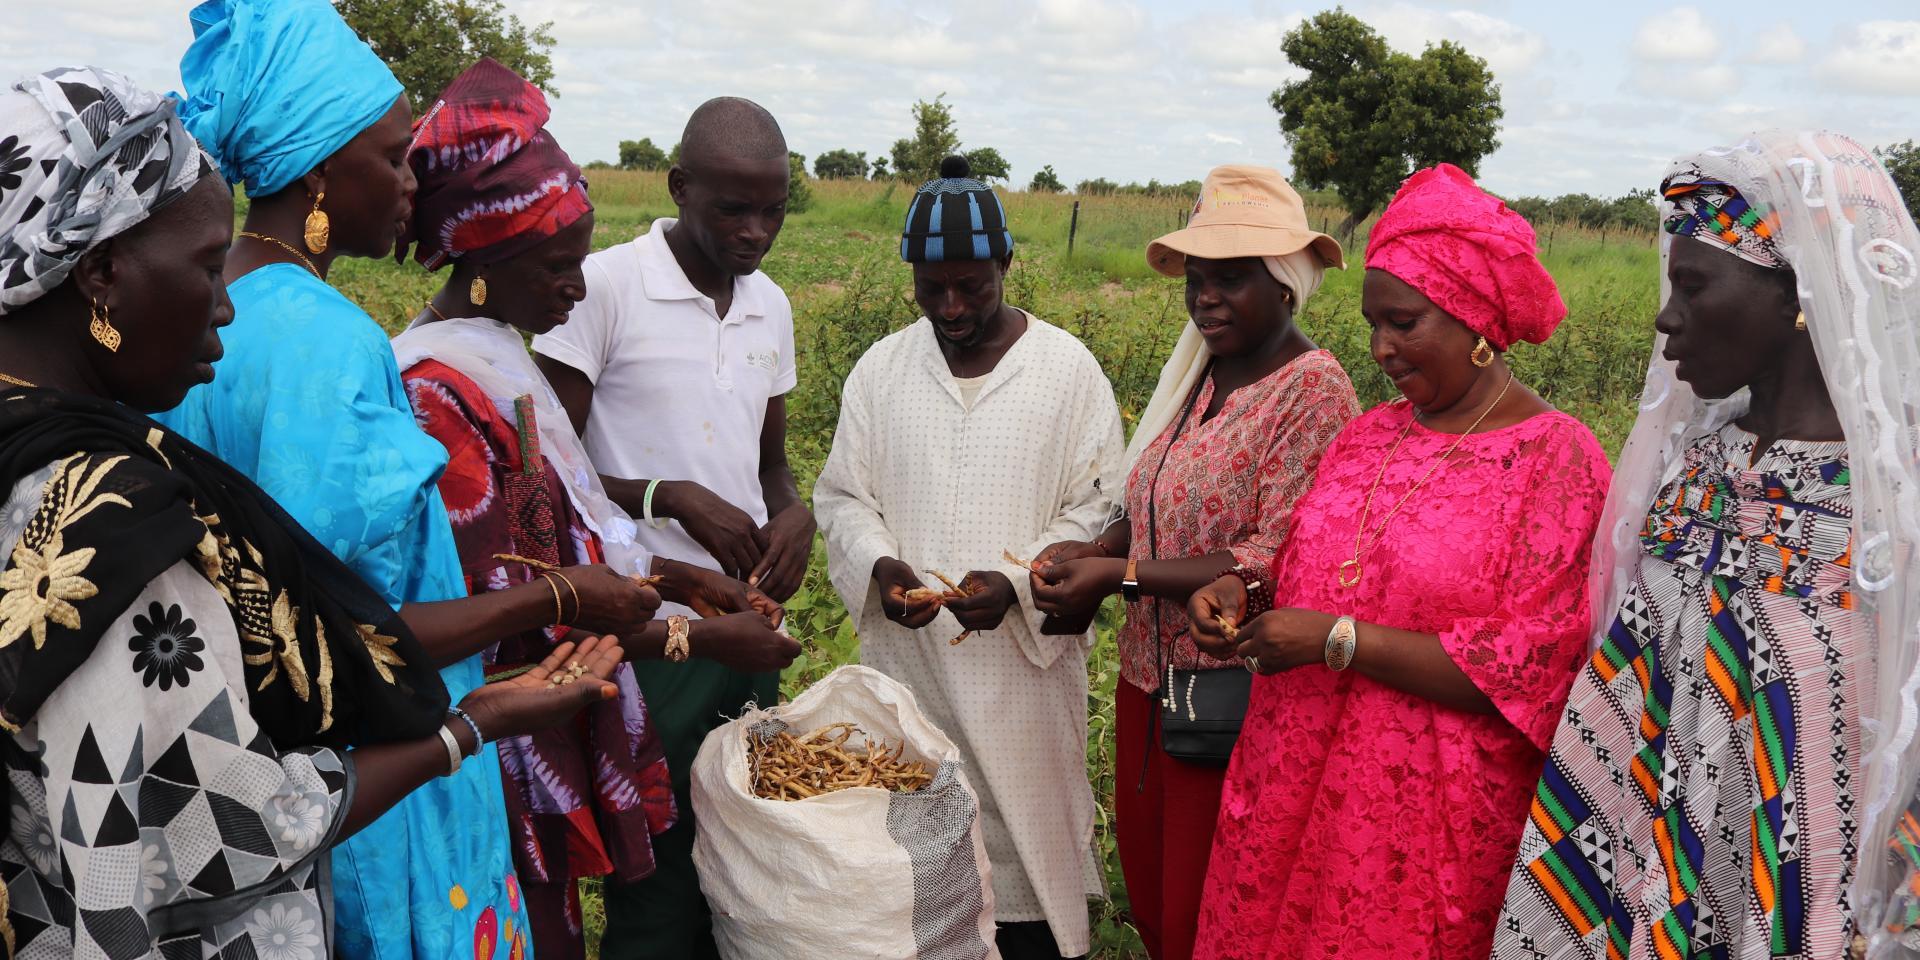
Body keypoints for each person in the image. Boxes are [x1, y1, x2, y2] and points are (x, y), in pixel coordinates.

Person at [0, 65, 627, 960]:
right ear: (99, 270)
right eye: (208, 268)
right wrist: (470, 726)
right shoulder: (109, 523)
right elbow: (222, 835)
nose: (226, 306)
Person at [155, 3, 661, 956]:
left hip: (256, 769)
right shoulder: (332, 342)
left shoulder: (206, 313)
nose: (407, 188)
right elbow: (345, 624)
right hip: (376, 779)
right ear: (315, 175)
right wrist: (555, 598)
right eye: (390, 161)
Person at [388, 59, 800, 959]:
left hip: (523, 733)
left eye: (579, 261)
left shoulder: (498, 368)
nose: (577, 288)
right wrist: (689, 631)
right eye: (559, 267)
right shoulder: (438, 394)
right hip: (481, 749)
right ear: (488, 264)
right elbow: (509, 616)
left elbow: (555, 554)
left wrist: (677, 577)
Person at [1495, 133, 1920, 960]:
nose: (1665, 316)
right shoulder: (1694, 463)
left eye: (1692, 284)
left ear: (1801, 292)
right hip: (1635, 869)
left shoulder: (1890, 497)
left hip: (1808, 896)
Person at [1181, 163, 1613, 959]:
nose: (1380, 348)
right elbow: (1314, 561)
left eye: (1405, 323)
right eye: (1373, 322)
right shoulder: (1369, 434)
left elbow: (1531, 666)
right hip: (1290, 778)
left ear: (1478, 321)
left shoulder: (1557, 461)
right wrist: (1243, 587)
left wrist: (1336, 641)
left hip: (1419, 821)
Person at [1026, 165, 1358, 960]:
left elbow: (1271, 554)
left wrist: (1121, 578)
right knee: (1155, 901)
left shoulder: (1313, 391)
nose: (1205, 298)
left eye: (1231, 279)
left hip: (1231, 702)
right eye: (1198, 280)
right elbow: (1149, 506)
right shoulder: (1198, 376)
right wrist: (1096, 552)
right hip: (1150, 689)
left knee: (1211, 915)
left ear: (1285, 286)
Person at [814, 154, 1125, 960]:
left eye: (971, 287)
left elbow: (1100, 508)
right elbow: (844, 495)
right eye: (932, 288)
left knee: (1023, 880)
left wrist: (1019, 586)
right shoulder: (882, 371)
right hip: (909, 679)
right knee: (919, 880)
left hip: (1020, 683)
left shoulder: (1067, 372)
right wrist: (881, 565)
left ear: (1006, 266)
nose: (951, 306)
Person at [531, 96, 814, 959]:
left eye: (773, 209)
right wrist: (670, 495)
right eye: (734, 208)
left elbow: (768, 462)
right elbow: (545, 475)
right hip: (643, 625)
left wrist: (792, 511)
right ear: (679, 186)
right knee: (651, 854)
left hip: (741, 618)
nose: (757, 230)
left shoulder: (771, 306)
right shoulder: (605, 289)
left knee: (741, 836)